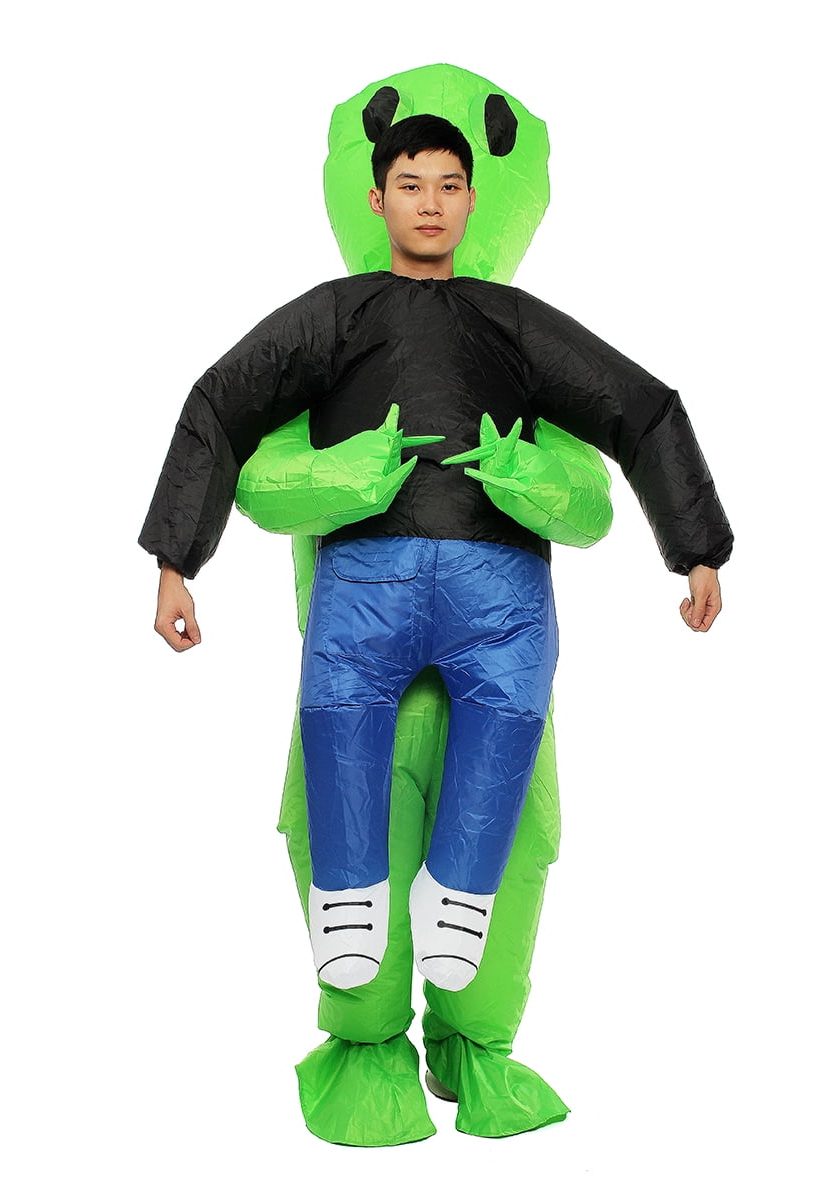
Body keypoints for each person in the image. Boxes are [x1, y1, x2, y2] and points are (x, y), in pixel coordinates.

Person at [141, 109, 731, 1136]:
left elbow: (636, 407)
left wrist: (695, 547)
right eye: (410, 185)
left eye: (449, 186)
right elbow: (222, 402)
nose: (430, 204)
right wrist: (175, 563)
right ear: (377, 199)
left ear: (473, 200)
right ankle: (350, 901)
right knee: (338, 704)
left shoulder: (514, 323)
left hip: (496, 585)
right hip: (364, 575)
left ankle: (460, 892)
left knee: (510, 709)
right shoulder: (336, 315)